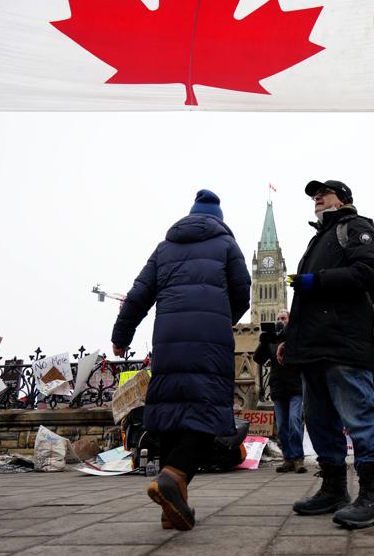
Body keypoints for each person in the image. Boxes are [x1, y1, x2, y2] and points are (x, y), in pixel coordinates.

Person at [112, 189, 251, 531]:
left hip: (169, 339)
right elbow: (242, 293)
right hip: (211, 341)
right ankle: (172, 478)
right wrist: (221, 316)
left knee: (173, 412)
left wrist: (121, 336)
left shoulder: (164, 248)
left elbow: (138, 295)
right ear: (217, 220)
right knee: (208, 414)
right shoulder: (226, 245)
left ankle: (174, 507)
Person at [279, 179, 374, 530]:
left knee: (360, 416)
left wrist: (317, 280)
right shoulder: (319, 238)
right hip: (311, 346)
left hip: (343, 342)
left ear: (342, 199)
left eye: (323, 193)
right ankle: (334, 489)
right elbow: (306, 301)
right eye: (315, 194)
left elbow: (369, 273)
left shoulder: (355, 228)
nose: (317, 198)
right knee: (320, 421)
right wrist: (289, 340)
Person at [253, 309, 306, 473]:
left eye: (283, 318)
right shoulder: (272, 340)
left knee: (294, 422)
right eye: (278, 319)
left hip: (295, 386)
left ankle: (298, 458)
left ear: (289, 320)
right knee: (282, 426)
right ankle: (288, 459)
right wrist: (264, 342)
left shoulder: (296, 337)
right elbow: (258, 359)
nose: (280, 321)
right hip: (278, 388)